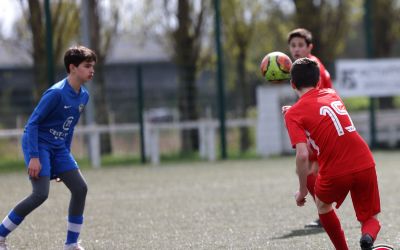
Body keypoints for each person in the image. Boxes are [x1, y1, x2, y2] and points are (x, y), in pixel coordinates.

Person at [0, 46, 96, 250]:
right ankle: (0, 235)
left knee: (80, 188)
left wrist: (65, 157)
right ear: (72, 68)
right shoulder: (56, 94)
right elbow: (32, 124)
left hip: (59, 148)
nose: (91, 70)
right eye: (87, 66)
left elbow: (69, 128)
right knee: (40, 194)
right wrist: (34, 156)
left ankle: (71, 244)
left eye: (92, 66)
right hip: (38, 144)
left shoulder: (83, 96)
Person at [283, 57, 381, 250]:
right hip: (364, 161)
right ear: (318, 82)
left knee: (322, 205)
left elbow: (303, 155)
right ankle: (367, 237)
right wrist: (293, 111)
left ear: (292, 84)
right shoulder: (332, 93)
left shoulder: (293, 114)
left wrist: (303, 190)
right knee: (370, 218)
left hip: (336, 169)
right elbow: (318, 110)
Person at [287, 27, 333, 228]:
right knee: (309, 170)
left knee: (307, 169)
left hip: (321, 126)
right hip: (319, 123)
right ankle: (325, 212)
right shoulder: (307, 67)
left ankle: (326, 213)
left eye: (300, 45)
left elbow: (316, 99)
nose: (296, 49)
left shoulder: (312, 67)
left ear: (309, 48)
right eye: (293, 45)